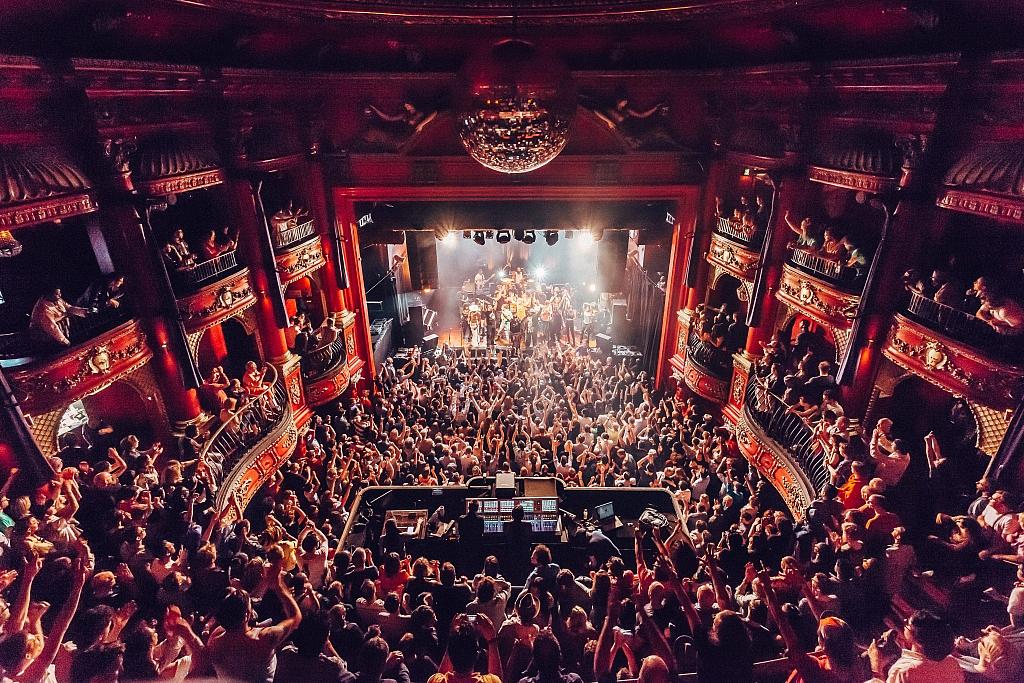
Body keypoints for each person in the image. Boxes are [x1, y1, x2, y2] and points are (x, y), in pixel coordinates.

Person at [205, 549, 303, 682]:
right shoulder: (264, 639)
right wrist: (278, 586)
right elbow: (295, 618)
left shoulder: (215, 640)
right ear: (247, 615)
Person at [886, 610, 964, 683]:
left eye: (907, 624)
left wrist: (877, 669)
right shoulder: (952, 664)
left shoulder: (905, 672)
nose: (904, 622)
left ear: (920, 641)